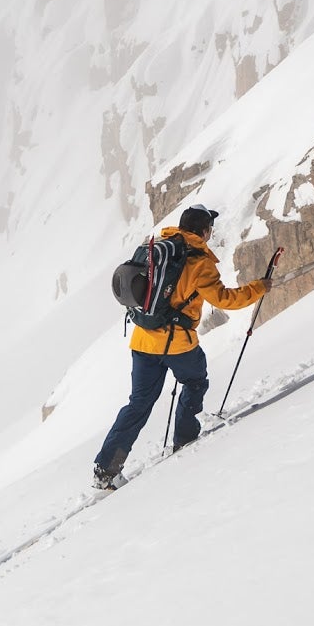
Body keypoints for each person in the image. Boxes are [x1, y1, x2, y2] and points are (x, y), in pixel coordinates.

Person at [92, 205, 267, 488]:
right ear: (203, 231)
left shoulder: (160, 247)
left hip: (143, 339)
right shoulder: (199, 262)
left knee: (138, 404)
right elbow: (225, 300)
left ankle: (106, 469)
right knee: (195, 381)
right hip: (176, 343)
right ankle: (185, 440)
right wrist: (259, 288)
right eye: (210, 228)